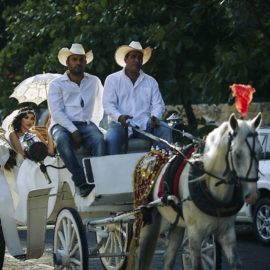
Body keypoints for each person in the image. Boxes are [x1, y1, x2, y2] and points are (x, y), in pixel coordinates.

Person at [48, 43, 105, 197]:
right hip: (62, 125)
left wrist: (94, 124)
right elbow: (57, 113)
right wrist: (73, 131)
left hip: (86, 123)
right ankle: (81, 182)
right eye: (74, 59)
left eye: (81, 59)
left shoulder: (94, 81)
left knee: (99, 140)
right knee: (61, 141)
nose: (78, 62)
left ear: (85, 62)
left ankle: (97, 181)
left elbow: (100, 105)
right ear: (68, 62)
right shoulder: (56, 84)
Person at [103, 41, 173, 155]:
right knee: (111, 139)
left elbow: (158, 104)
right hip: (119, 125)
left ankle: (165, 167)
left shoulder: (151, 81)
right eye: (133, 57)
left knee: (165, 129)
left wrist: (155, 117)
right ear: (126, 60)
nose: (137, 60)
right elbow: (108, 104)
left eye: (139, 57)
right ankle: (114, 171)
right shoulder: (112, 79)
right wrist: (119, 116)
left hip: (145, 123)